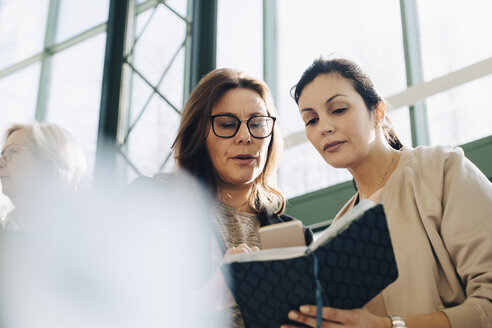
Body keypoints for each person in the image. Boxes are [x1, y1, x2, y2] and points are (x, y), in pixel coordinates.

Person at [283, 57, 492, 328]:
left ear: (378, 111)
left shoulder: (442, 169)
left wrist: (388, 326)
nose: (324, 127)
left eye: (338, 109)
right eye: (311, 120)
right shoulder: (340, 228)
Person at [172, 68, 313, 327]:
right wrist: (208, 299)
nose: (246, 137)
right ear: (199, 134)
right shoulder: (161, 208)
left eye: (258, 123)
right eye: (227, 124)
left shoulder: (295, 234)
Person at [0, 122, 87, 230]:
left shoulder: (84, 236)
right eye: (2, 154)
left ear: (49, 169)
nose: (0, 163)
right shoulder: (7, 226)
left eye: (11, 152)